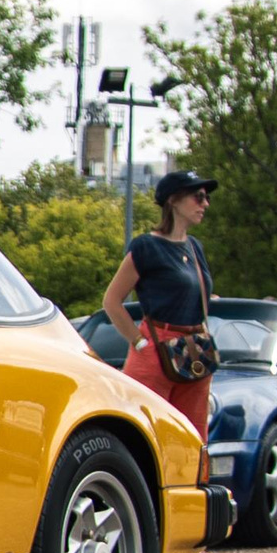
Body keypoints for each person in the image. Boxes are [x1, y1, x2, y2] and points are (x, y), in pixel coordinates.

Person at [103, 169, 218, 438]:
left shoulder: (194, 247)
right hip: (157, 346)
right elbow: (112, 301)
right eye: (198, 197)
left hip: (194, 348)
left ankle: (189, 481)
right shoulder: (146, 247)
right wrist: (138, 342)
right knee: (147, 432)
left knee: (191, 434)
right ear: (174, 201)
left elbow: (188, 291)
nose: (205, 204)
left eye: (206, 198)